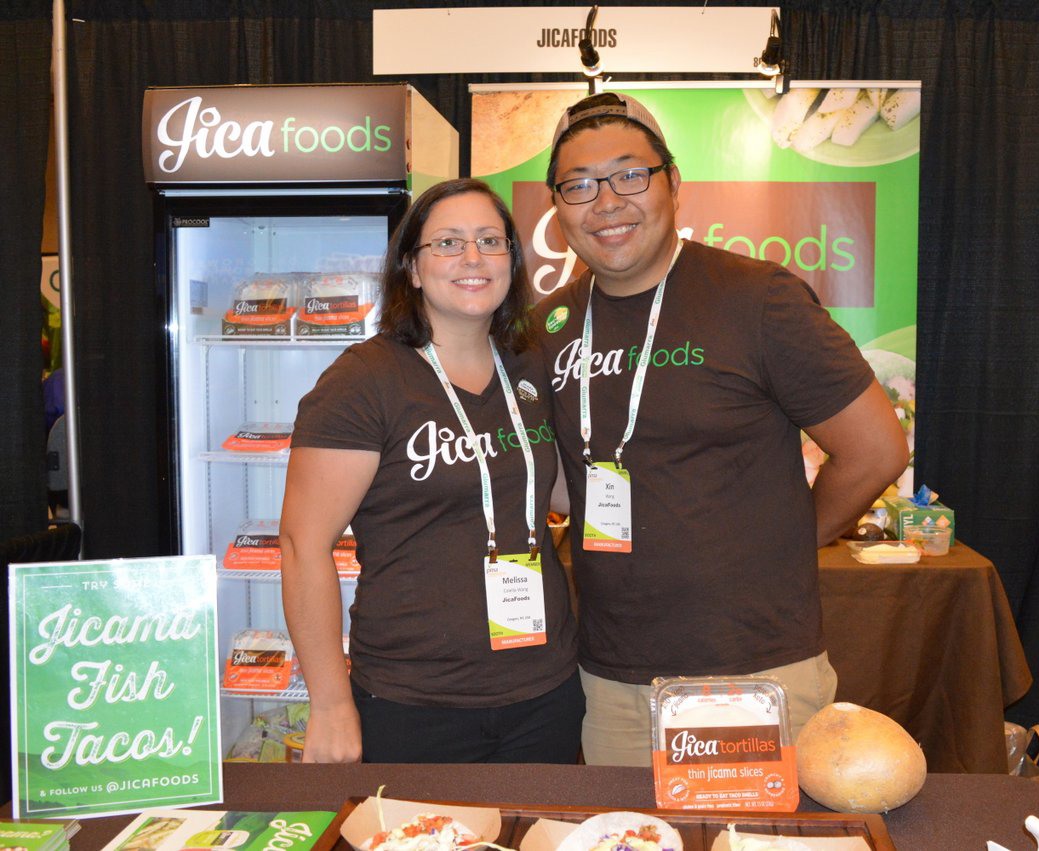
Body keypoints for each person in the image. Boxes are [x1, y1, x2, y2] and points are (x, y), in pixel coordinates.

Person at [532, 93, 909, 765]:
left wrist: (792, 540)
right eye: (579, 185)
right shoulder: (548, 326)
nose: (607, 201)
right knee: (625, 826)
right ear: (557, 208)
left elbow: (876, 450)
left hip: (752, 671)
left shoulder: (757, 298)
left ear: (673, 183)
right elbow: (561, 479)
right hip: (610, 678)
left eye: (630, 175)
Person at [280, 178, 582, 764]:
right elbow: (302, 545)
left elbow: (557, 489)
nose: (473, 258)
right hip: (412, 702)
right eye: (447, 242)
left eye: (490, 241)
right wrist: (331, 703)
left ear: (511, 261)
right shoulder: (363, 381)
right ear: (412, 269)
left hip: (544, 690)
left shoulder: (530, 366)